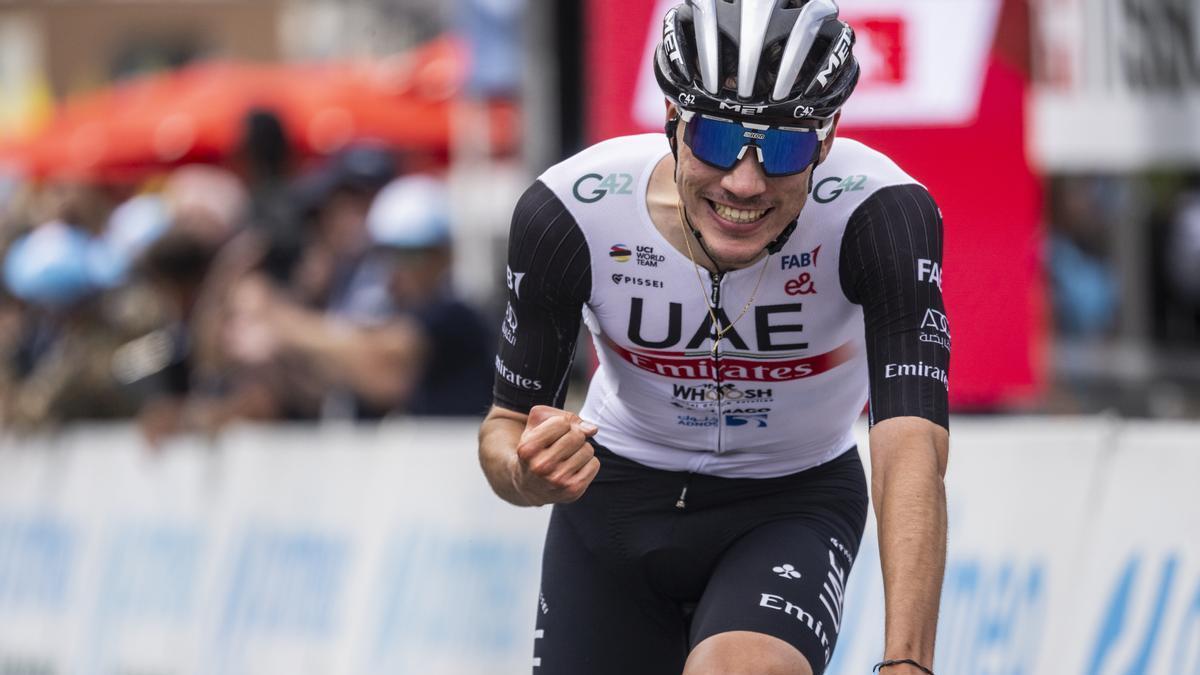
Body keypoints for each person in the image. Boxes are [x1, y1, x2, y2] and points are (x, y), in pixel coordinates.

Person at [478, 2, 950, 674]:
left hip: (792, 498)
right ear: (672, 121)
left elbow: (911, 443)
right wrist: (526, 471)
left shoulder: (881, 215)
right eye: (719, 141)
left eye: (784, 146)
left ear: (828, 136)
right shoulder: (572, 212)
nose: (745, 183)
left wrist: (908, 662)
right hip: (615, 500)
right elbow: (502, 428)